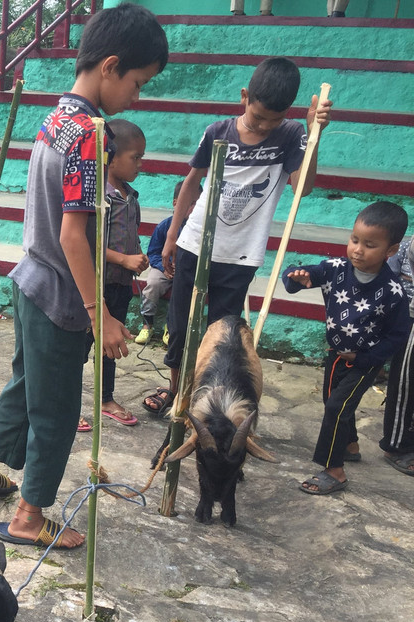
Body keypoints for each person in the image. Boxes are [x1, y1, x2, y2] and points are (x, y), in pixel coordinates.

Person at [0, 3, 168, 548]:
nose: (137, 96)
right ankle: (29, 519)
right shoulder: (91, 134)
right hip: (59, 292)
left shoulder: (56, 118)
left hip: (30, 278)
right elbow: (74, 237)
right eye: (137, 82)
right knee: (55, 408)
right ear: (110, 65)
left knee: (24, 386)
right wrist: (101, 315)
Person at [142, 56, 333, 416]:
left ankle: (207, 398)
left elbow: (301, 188)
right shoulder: (218, 131)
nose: (264, 126)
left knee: (223, 336)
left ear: (287, 113)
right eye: (258, 116)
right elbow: (190, 184)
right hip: (195, 242)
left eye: (274, 120)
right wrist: (171, 238)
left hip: (241, 254)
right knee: (181, 328)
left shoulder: (291, 135)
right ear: (244, 96)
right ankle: (176, 391)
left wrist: (312, 133)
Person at [282, 201, 412, 495]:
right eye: (354, 240)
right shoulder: (335, 269)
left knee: (338, 405)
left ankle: (334, 470)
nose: (358, 250)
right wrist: (296, 277)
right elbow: (303, 274)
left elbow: (398, 335)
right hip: (335, 354)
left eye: (370, 245)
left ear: (390, 251)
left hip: (365, 361)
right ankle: (350, 445)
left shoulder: (393, 292)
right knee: (334, 401)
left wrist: (368, 357)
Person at [79, 117, 148, 431]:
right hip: (97, 285)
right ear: (110, 157)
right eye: (135, 158)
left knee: (111, 344)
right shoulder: (100, 198)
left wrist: (137, 259)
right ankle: (67, 404)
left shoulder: (129, 195)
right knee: (80, 346)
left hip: (121, 284)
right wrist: (124, 259)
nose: (139, 165)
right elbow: (90, 243)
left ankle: (105, 399)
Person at [136, 179, 194, 347]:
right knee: (153, 283)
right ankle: (147, 323)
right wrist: (164, 266)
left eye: (196, 204)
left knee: (183, 289)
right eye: (189, 203)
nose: (192, 208)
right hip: (163, 268)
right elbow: (153, 252)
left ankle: (172, 326)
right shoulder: (164, 227)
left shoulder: (198, 230)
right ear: (175, 202)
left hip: (185, 271)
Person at [379, 233, 414, 476]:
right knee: (406, 383)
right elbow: (388, 280)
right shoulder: (407, 246)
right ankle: (397, 444)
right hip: (410, 318)